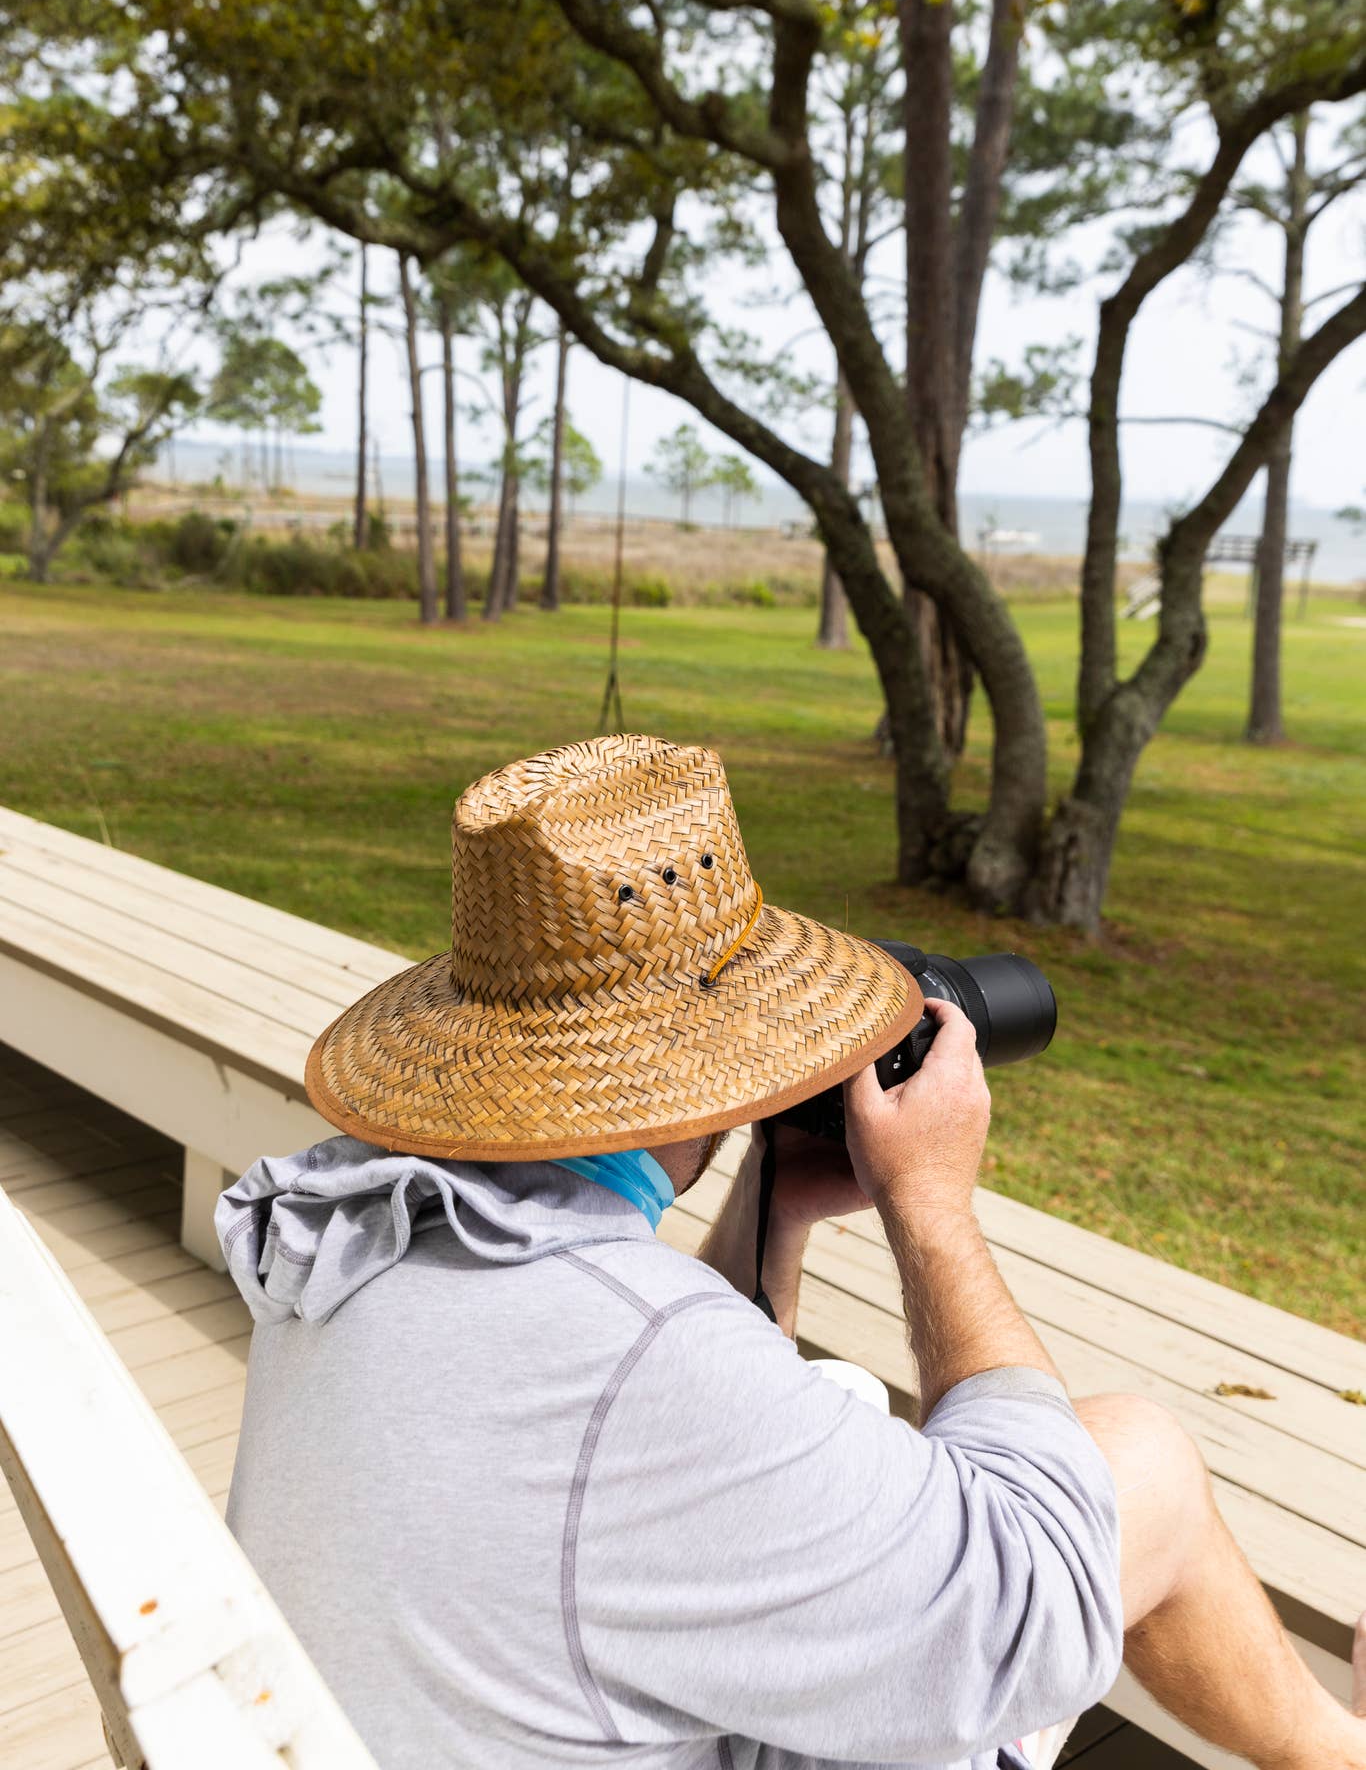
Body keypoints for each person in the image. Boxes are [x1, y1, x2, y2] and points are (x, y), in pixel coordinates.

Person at [219, 734, 1366, 1770]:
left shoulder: (350, 1229)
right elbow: (1028, 1609)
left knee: (846, 1396)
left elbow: (651, 1445)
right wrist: (930, 1203)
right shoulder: (647, 1354)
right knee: (1139, 1462)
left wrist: (775, 1214)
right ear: (712, 1051)